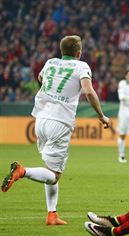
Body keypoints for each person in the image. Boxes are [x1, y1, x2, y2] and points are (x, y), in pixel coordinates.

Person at [1, 35, 111, 225]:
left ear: (62, 51)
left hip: (41, 119)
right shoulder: (82, 66)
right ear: (79, 52)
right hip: (60, 122)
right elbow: (88, 91)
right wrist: (101, 115)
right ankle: (22, 171)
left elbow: (41, 78)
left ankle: (52, 214)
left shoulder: (51, 62)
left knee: (50, 168)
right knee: (54, 176)